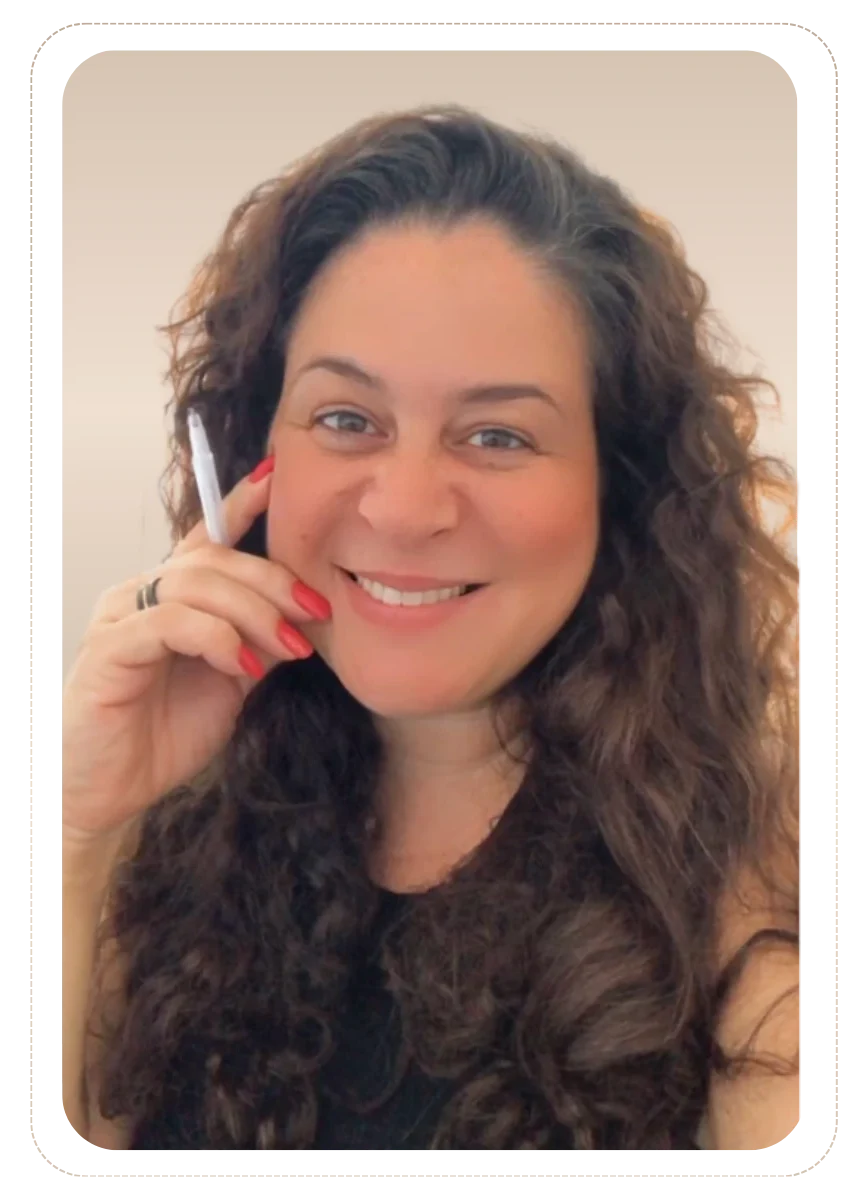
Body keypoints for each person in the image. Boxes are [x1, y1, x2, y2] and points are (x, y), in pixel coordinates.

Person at [61, 105, 803, 1154]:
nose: (405, 509)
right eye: (345, 419)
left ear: (621, 486)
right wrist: (76, 832)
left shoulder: (754, 883)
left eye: (497, 435)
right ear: (252, 449)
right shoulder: (173, 821)